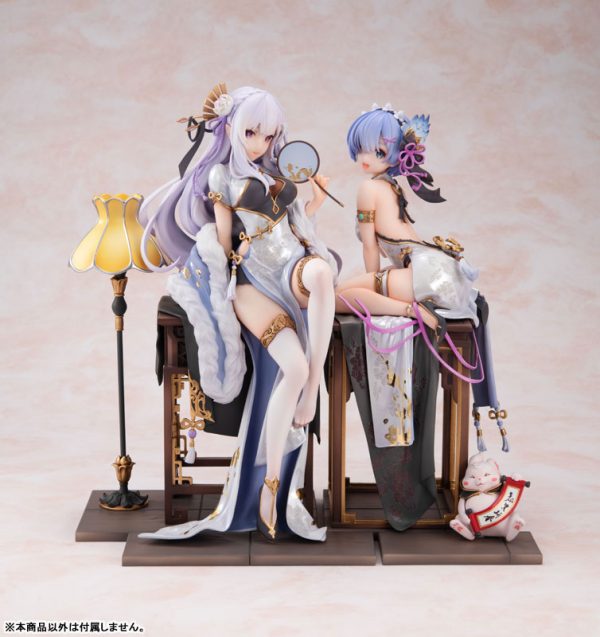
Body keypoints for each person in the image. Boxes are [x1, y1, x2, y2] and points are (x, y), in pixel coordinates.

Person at [138, 85, 337, 542]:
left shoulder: (278, 172)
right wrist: (232, 258)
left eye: (268, 135)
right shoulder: (221, 177)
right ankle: (271, 484)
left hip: (291, 267)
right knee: (292, 366)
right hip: (252, 281)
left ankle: (312, 391)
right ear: (231, 128)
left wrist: (315, 203)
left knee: (323, 273)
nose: (259, 144)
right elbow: (224, 241)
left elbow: (295, 226)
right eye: (251, 133)